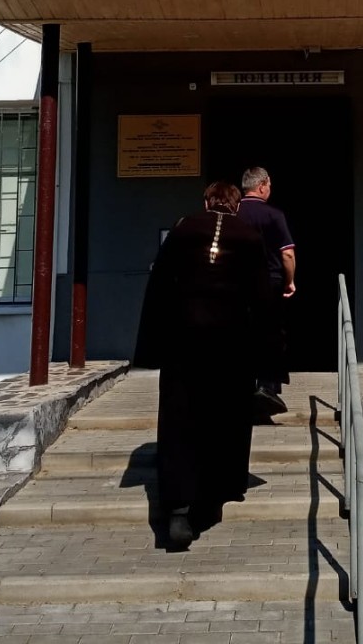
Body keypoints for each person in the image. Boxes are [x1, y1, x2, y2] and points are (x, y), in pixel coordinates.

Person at [133, 181, 268, 550]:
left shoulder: (182, 230)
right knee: (224, 417)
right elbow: (261, 298)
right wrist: (268, 354)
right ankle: (214, 497)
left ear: (207, 202)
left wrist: (151, 347)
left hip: (184, 341)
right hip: (232, 344)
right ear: (236, 206)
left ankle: (179, 507)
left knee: (180, 420)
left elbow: (159, 286)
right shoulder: (249, 236)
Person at [235, 166, 296, 415]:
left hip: (238, 283)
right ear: (261, 186)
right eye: (269, 185)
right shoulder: (274, 215)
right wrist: (289, 281)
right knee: (270, 334)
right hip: (270, 282)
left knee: (242, 333)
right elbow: (287, 254)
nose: (270, 189)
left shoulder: (233, 213)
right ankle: (267, 387)